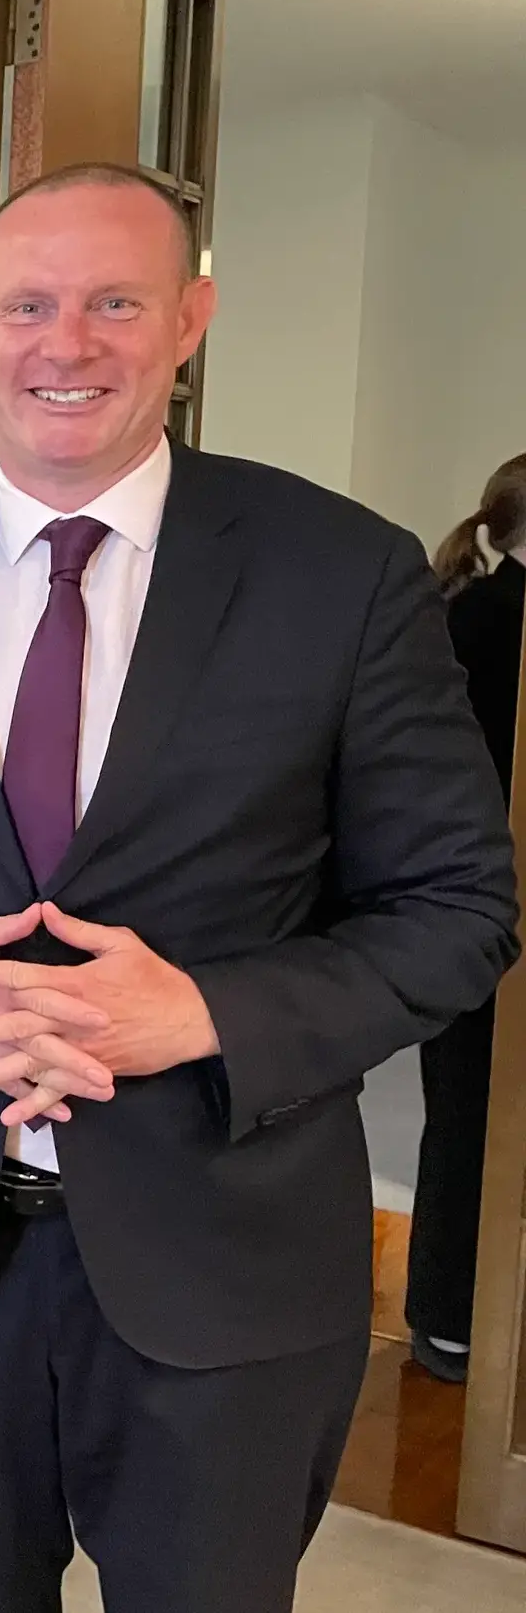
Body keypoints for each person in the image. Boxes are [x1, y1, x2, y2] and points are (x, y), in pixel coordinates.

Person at [0, 163, 518, 1613]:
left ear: (189, 320)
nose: (67, 343)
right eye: (29, 304)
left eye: (115, 302)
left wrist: (204, 1014)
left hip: (227, 1278)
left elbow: (463, 906)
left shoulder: (342, 575)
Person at [407, 452, 526, 1383]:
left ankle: (444, 1318)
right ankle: (457, 1324)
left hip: (445, 904)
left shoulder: (463, 612)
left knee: (459, 1116)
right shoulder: (500, 621)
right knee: (482, 1121)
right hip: (482, 905)